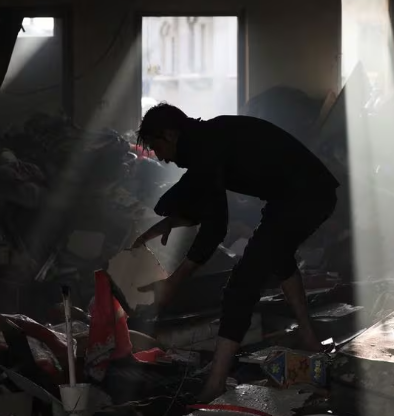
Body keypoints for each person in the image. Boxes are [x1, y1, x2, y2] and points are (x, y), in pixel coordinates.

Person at [130, 103, 339, 402]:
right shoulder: (206, 139)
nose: (159, 157)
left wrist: (174, 282)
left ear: (171, 134)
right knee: (276, 253)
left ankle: (215, 384)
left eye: (157, 146)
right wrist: (170, 220)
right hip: (294, 196)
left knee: (242, 285)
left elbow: (216, 226)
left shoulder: (206, 146)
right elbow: (196, 191)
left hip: (306, 196)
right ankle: (308, 337)